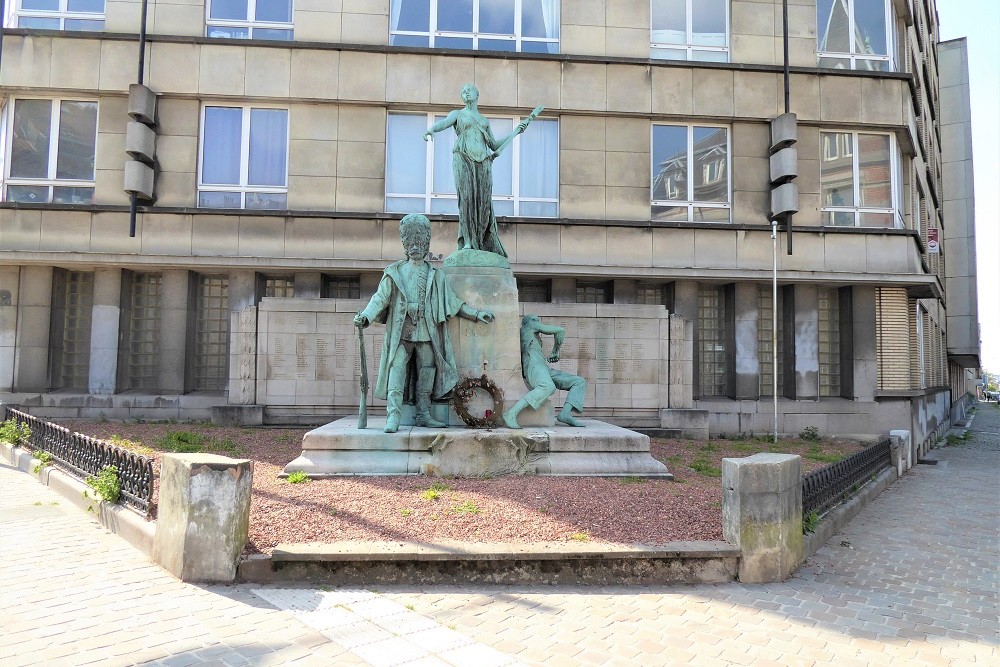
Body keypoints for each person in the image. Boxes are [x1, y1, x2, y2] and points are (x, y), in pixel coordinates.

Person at [354, 214, 494, 433]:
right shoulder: (394, 272)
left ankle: (423, 414)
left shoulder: (435, 275)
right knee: (397, 370)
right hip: (402, 332)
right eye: (411, 243)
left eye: (419, 243)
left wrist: (476, 314)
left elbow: (454, 303)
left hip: (427, 332)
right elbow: (379, 299)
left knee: (427, 373)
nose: (415, 247)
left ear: (426, 244)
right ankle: (393, 415)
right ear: (405, 245)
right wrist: (366, 317)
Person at [422, 83, 532, 258]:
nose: (465, 93)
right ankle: (467, 241)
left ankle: (480, 241)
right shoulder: (457, 114)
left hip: (482, 162)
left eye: (468, 91)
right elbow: (443, 123)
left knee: (483, 203)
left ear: (476, 94)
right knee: (466, 200)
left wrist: (516, 131)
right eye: (462, 92)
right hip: (463, 158)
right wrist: (431, 129)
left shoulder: (484, 121)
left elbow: (494, 145)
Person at [502, 314, 587, 429]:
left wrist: (555, 352)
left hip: (543, 366)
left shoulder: (533, 334)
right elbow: (560, 330)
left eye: (537, 320)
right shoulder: (527, 328)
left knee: (579, 382)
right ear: (525, 323)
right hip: (533, 364)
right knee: (547, 386)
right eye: (533, 320)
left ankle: (565, 414)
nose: (536, 322)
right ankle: (511, 413)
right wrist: (555, 351)